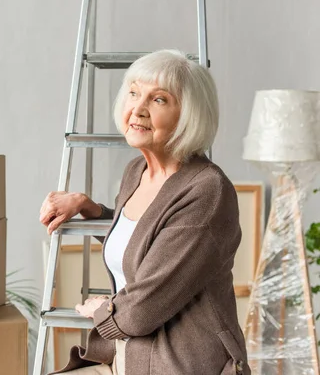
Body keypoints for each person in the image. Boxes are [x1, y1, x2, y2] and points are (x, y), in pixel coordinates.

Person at [39, 50, 250, 375]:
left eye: (159, 100)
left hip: (180, 363)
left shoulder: (207, 191)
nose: (137, 108)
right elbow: (146, 242)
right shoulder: (137, 171)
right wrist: (90, 207)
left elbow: (138, 313)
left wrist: (100, 310)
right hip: (127, 354)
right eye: (134, 93)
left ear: (190, 115)